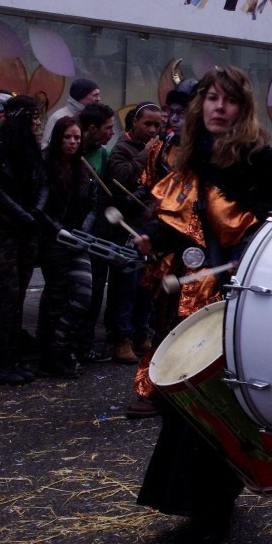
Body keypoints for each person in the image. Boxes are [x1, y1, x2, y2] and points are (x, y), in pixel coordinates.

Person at [133, 66, 272, 544]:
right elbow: (181, 222)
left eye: (229, 100)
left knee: (216, 409)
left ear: (243, 110)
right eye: (211, 99)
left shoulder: (259, 161)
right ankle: (194, 503)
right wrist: (152, 238)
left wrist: (243, 261)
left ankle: (214, 510)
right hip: (183, 302)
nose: (218, 108)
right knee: (179, 403)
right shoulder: (189, 158)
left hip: (233, 302)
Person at [0, 94, 44, 385]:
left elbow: (43, 183)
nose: (39, 123)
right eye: (34, 118)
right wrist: (24, 215)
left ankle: (12, 359)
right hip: (4, 230)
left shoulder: (30, 149)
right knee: (6, 295)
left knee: (17, 296)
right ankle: (1, 361)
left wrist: (36, 213)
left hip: (25, 229)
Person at [34, 117, 100, 379]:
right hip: (55, 242)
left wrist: (83, 230)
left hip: (77, 240)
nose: (73, 142)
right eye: (68, 138)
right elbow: (40, 207)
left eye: (76, 138)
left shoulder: (82, 168)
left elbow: (94, 203)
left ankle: (59, 349)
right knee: (58, 296)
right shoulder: (47, 167)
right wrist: (58, 230)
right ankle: (53, 355)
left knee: (83, 295)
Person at [106, 102, 163, 363]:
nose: (153, 130)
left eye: (157, 125)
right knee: (126, 285)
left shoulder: (160, 149)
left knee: (146, 284)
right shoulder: (122, 148)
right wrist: (145, 155)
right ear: (134, 123)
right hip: (127, 225)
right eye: (147, 124)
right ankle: (122, 339)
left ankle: (142, 335)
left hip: (149, 222)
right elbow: (121, 179)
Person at [74, 103, 117, 364]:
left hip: (99, 230)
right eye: (108, 128)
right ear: (92, 129)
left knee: (96, 288)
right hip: (74, 229)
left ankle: (85, 343)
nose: (112, 132)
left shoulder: (103, 155)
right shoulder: (71, 148)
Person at [41, 78, 100, 150]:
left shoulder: (94, 117)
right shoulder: (58, 117)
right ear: (82, 95)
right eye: (95, 95)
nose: (98, 99)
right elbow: (46, 148)